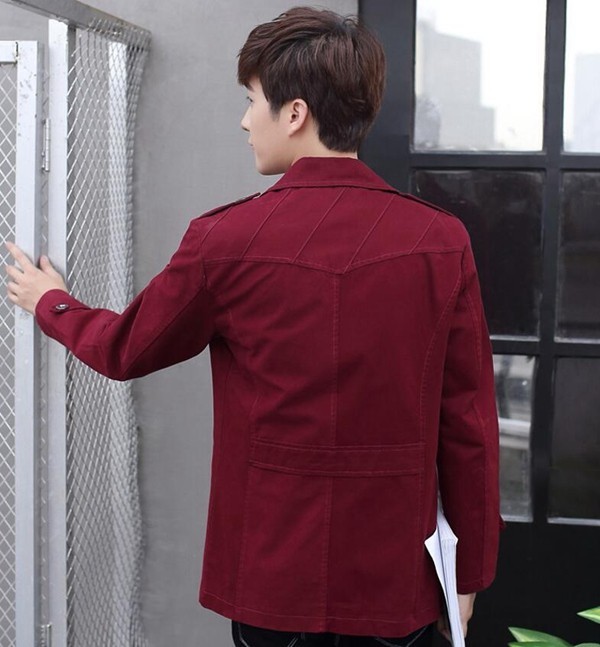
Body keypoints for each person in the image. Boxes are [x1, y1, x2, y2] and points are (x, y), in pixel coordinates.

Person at [5, 7, 501, 647]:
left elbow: (126, 349)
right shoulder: (441, 240)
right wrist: (467, 573)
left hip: (272, 575)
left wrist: (52, 303)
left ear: (294, 113)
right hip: (395, 578)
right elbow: (468, 424)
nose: (245, 121)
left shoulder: (225, 240)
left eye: (251, 100)